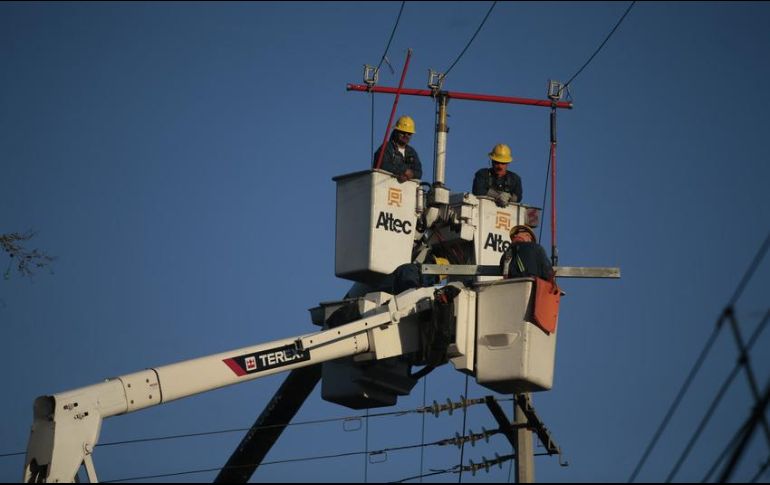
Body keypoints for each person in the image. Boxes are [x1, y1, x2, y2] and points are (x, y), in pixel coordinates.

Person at [373, 115, 422, 183]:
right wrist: (403, 171)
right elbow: (381, 165)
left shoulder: (412, 152)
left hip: (405, 191)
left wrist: (410, 175)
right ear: (396, 131)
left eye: (409, 134)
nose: (406, 135)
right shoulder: (387, 147)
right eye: (403, 132)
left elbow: (419, 172)